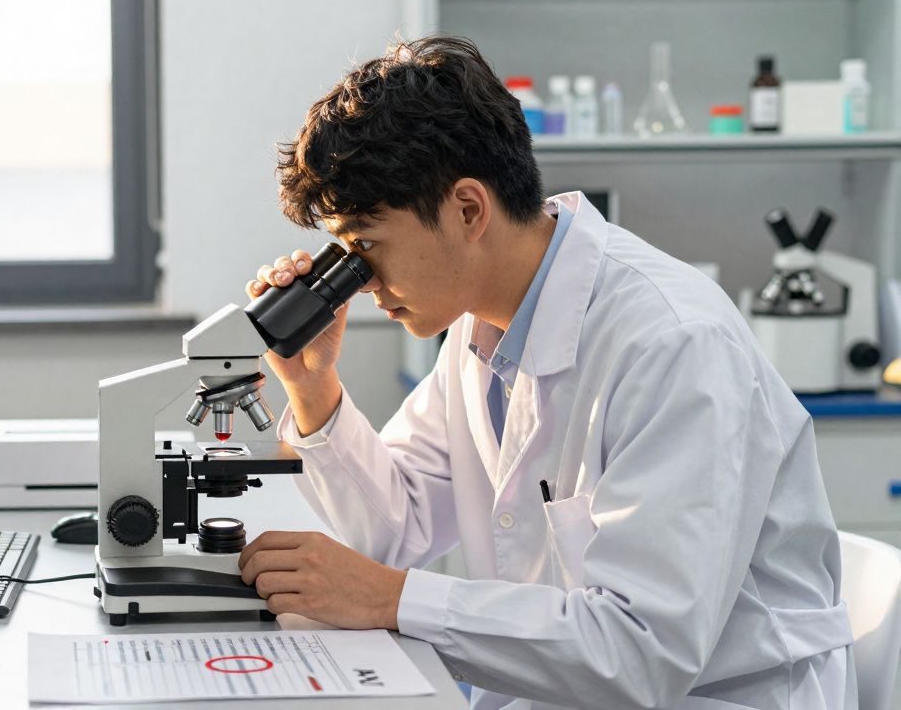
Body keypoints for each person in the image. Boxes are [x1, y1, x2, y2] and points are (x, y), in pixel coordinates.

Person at [238, 36, 856, 710]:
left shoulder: (672, 343)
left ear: (468, 210)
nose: (360, 282)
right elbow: (395, 531)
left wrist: (394, 600)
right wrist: (312, 386)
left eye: (367, 246)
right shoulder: (479, 329)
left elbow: (641, 651)